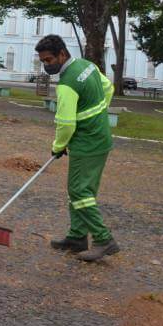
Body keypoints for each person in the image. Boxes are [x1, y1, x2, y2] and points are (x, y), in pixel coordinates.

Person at [35, 34, 118, 262]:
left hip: (86, 143)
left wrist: (58, 146)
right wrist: (96, 115)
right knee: (84, 191)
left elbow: (66, 123)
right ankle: (77, 237)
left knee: (79, 192)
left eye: (49, 60)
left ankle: (103, 239)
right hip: (101, 138)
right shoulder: (87, 66)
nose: (46, 65)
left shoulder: (67, 84)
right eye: (43, 61)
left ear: (62, 54)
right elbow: (108, 88)